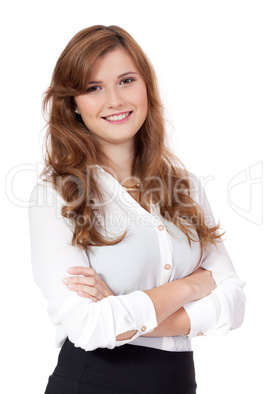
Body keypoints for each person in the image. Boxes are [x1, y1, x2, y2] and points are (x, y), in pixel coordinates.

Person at [28, 25, 246, 394]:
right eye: (93, 88)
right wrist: (191, 285)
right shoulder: (56, 194)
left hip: (178, 383)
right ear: (73, 104)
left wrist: (121, 311)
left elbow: (234, 304)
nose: (115, 100)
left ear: (146, 86)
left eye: (126, 80)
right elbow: (90, 327)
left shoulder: (186, 185)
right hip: (92, 381)